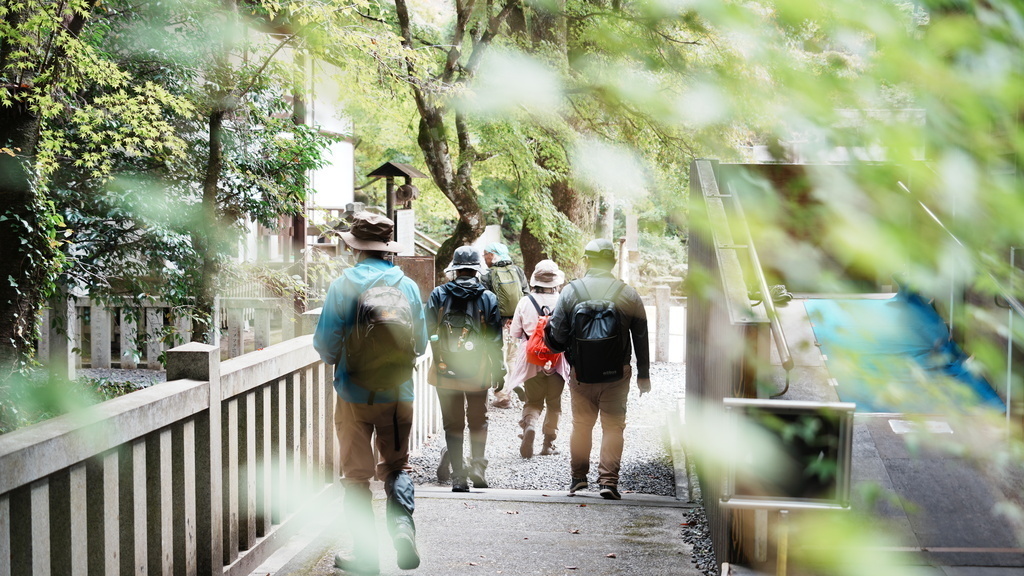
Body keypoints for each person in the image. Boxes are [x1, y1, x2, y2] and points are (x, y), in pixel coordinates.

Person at [312, 211, 428, 575]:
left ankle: (366, 555)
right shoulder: (407, 286)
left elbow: (325, 344)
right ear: (386, 249)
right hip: (397, 394)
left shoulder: (342, 285)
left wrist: (343, 360)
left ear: (355, 248)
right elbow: (421, 343)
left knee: (356, 477)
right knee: (396, 466)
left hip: (352, 393)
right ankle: (403, 529)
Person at [543, 238, 651, 500]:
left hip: (581, 374)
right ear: (612, 262)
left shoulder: (571, 292)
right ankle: (608, 482)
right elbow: (641, 336)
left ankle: (579, 478)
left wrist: (548, 331)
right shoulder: (627, 293)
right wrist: (643, 375)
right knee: (613, 427)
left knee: (581, 425)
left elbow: (557, 340)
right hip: (617, 373)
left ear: (587, 260)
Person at [427, 246, 505, 492]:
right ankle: (478, 468)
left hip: (445, 369)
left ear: (455, 268)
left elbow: (428, 330)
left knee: (452, 423)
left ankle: (459, 477)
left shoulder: (438, 294)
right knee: (478, 420)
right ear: (476, 269)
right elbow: (494, 339)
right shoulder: (487, 297)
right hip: (477, 370)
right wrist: (498, 369)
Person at [507, 259, 570, 458]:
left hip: (531, 358)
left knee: (533, 400)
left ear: (535, 280)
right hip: (557, 359)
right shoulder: (563, 301)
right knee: (554, 402)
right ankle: (548, 444)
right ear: (555, 282)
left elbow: (515, 333)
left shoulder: (525, 302)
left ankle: (530, 426)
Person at [481, 242, 528, 409]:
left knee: (499, 358)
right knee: (513, 358)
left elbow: (486, 302)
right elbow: (526, 297)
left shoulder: (487, 276)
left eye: (485, 253)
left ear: (493, 255)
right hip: (515, 326)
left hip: (498, 326)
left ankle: (503, 397)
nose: (484, 257)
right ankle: (517, 383)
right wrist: (516, 320)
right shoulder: (518, 271)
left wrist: (500, 321)